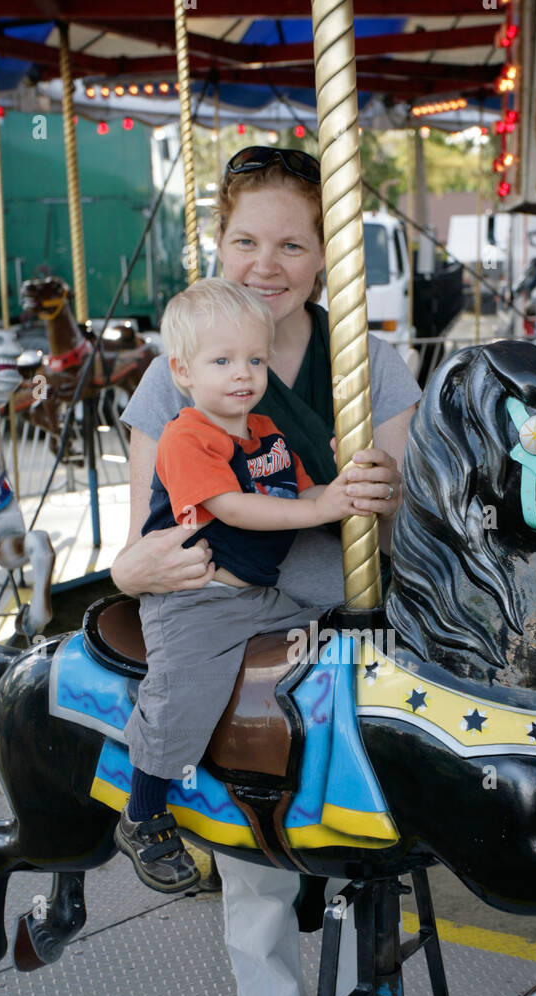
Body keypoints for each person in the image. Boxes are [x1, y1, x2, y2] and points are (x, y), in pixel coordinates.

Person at [113, 146, 421, 996]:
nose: (267, 262)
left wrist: (389, 491)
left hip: (358, 638)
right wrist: (134, 574)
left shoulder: (368, 362)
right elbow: (134, 551)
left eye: (293, 242)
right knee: (257, 877)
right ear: (217, 242)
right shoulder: (177, 373)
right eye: (245, 239)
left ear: (327, 253)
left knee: (364, 857)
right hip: (246, 646)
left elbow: (408, 505)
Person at [116, 277, 358, 892]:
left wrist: (333, 491)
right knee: (184, 691)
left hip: (254, 597)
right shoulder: (186, 434)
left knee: (329, 641)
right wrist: (322, 509)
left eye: (254, 359)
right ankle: (143, 810)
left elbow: (298, 490)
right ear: (184, 370)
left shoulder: (268, 433)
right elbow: (234, 507)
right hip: (194, 604)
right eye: (222, 361)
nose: (242, 373)